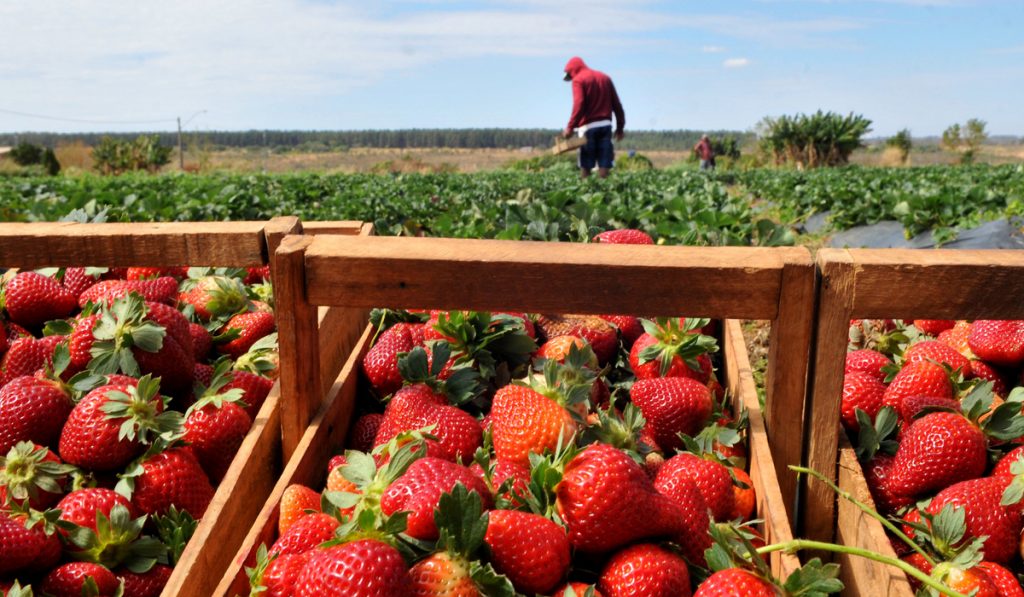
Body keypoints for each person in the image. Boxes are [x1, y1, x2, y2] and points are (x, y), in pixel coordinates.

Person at [562, 56, 625, 179]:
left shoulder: (578, 80)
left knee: (586, 165)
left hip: (587, 127)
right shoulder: (605, 78)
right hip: (606, 126)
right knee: (604, 162)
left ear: (573, 71)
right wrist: (620, 127)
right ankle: (604, 194)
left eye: (570, 75)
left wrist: (570, 127)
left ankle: (585, 193)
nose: (571, 79)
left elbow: (579, 104)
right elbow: (617, 105)